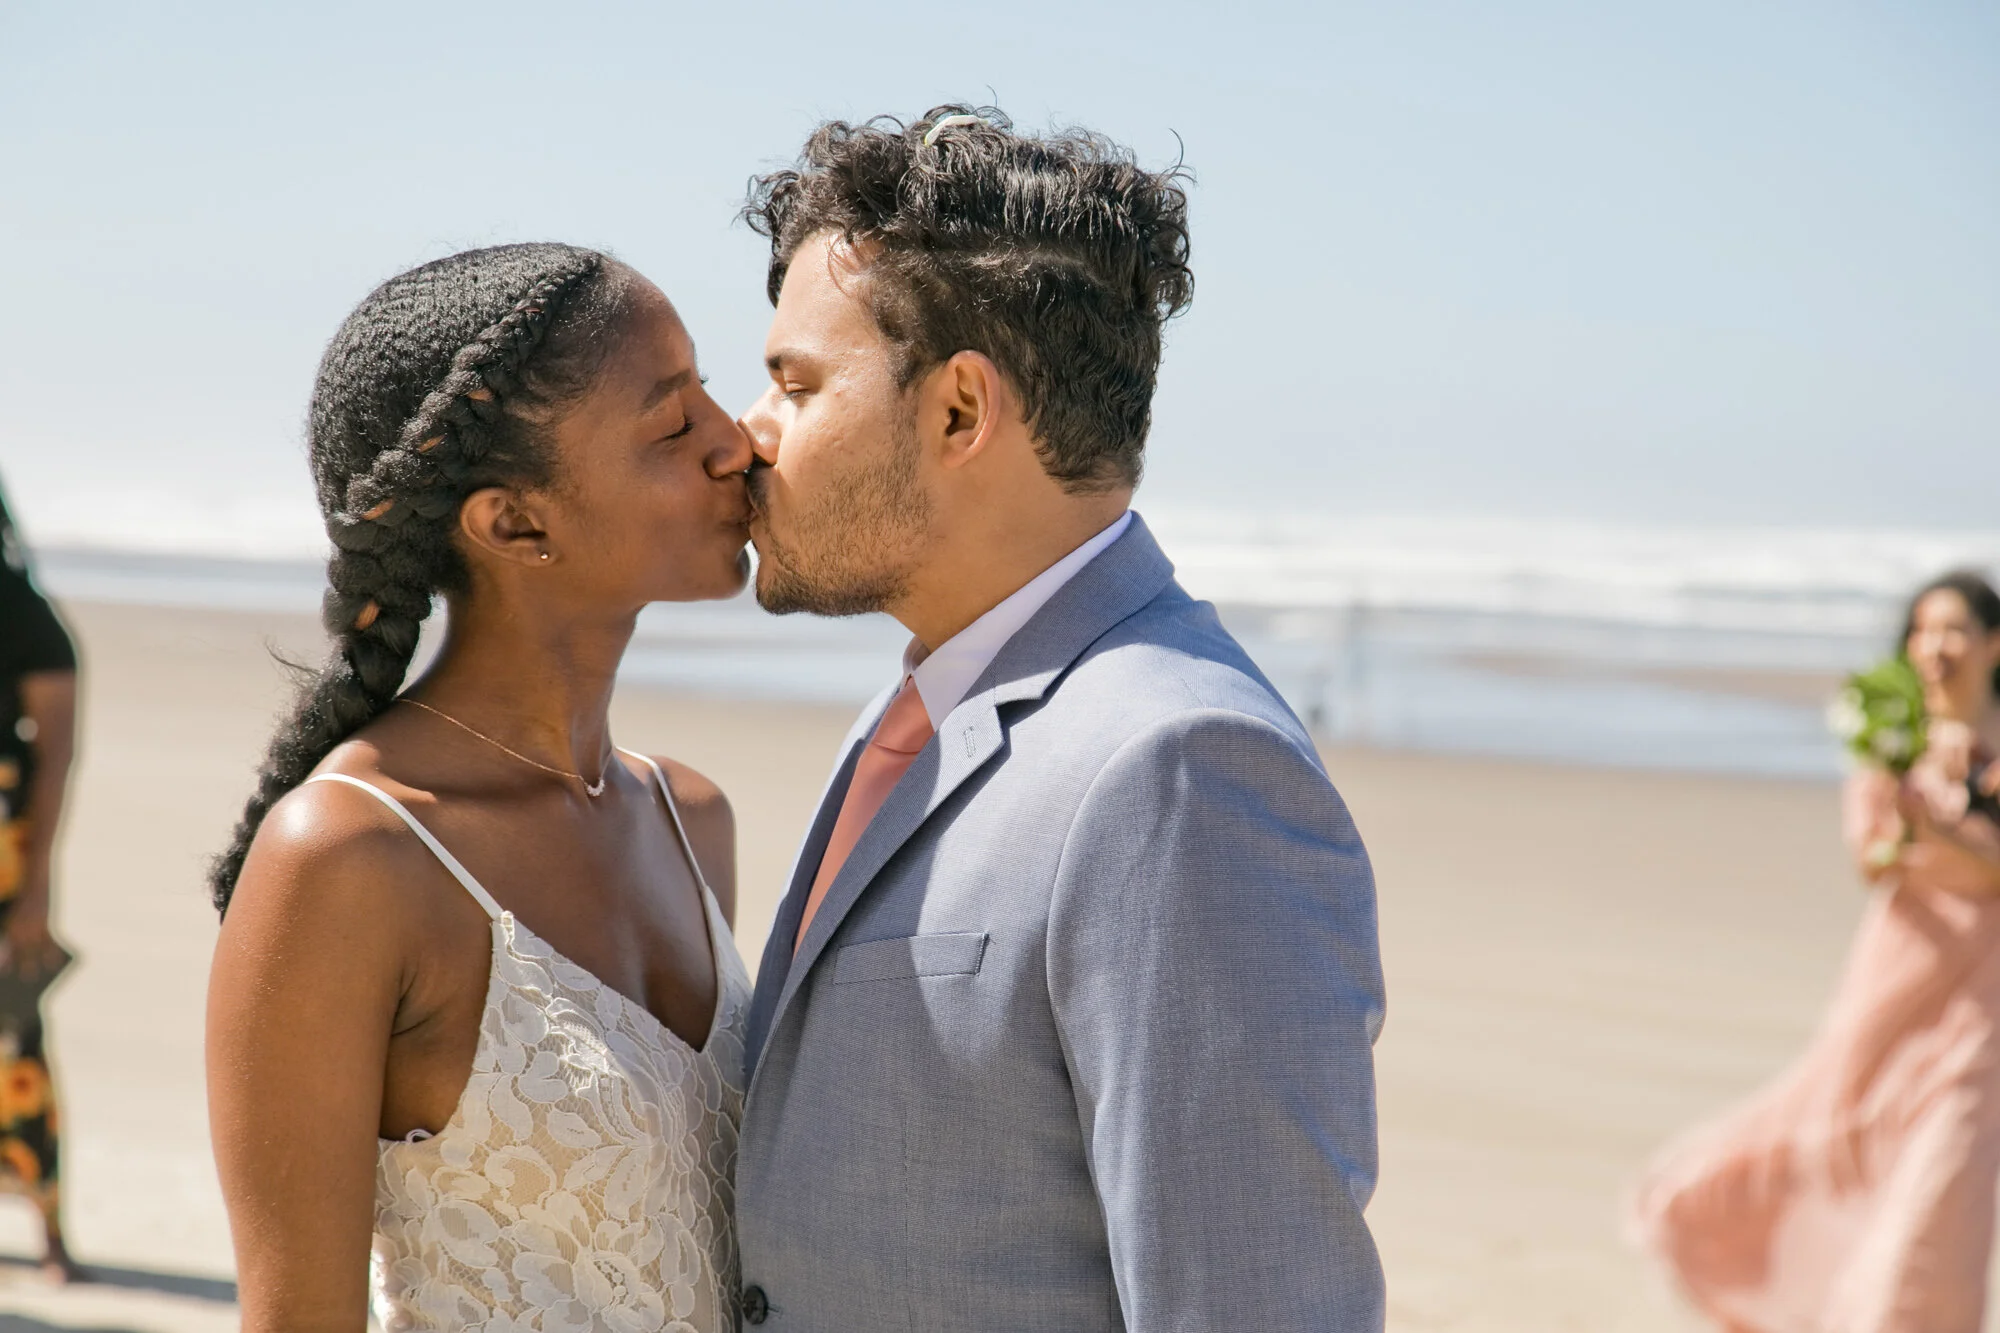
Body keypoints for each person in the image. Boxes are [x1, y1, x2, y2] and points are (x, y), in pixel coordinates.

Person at [732, 107, 1387, 1330]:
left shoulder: (1176, 764)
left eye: (793, 384)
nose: (746, 433)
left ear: (959, 413)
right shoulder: (913, 711)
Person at [204, 244, 758, 1332]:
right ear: (514, 523)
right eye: (672, 424)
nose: (735, 441)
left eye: (708, 392)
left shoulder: (690, 820)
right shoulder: (349, 858)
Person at [1631, 570, 2000, 1332]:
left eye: (1955, 628)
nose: (1937, 646)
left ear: (1995, 643)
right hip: (1892, 982)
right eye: (1923, 630)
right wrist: (1915, 806)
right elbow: (1871, 855)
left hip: (1979, 1008)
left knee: (1942, 1206)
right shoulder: (1889, 737)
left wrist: (1933, 823)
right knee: (1835, 1142)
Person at [0, 477, 82, 1282]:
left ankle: (51, 1232)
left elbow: (56, 752)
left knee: (13, 1042)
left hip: (3, 857)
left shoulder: (17, 606)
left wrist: (36, 892)